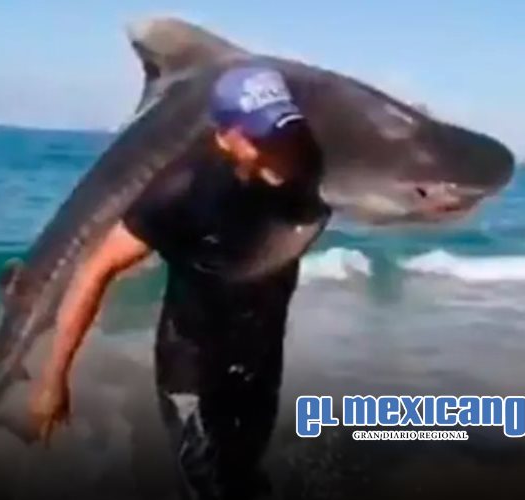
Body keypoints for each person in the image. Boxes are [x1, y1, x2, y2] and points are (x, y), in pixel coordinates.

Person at [30, 66, 332, 499]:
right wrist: (51, 380)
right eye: (260, 137)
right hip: (195, 365)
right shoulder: (180, 190)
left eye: (284, 130)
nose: (278, 148)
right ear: (224, 136)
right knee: (210, 486)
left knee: (244, 469)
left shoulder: (303, 158)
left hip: (262, 357)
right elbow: (96, 269)